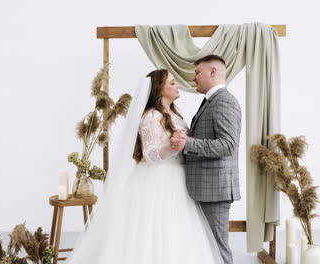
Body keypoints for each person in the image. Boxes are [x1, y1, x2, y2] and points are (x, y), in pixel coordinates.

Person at [65, 69, 223, 264]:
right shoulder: (151, 117)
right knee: (153, 229)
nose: (178, 85)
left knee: (176, 229)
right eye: (172, 83)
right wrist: (172, 147)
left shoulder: (175, 114)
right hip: (157, 179)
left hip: (178, 178)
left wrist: (182, 143)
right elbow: (150, 154)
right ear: (159, 89)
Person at [170, 55, 242, 264]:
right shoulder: (212, 101)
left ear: (212, 72)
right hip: (206, 188)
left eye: (197, 72)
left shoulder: (224, 102)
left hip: (215, 190)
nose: (194, 78)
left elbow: (227, 145)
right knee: (206, 246)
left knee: (217, 247)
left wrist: (187, 144)